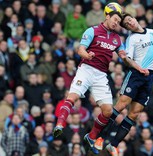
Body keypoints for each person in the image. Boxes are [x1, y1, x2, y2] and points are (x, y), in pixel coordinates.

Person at [53, 3, 147, 155]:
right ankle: (60, 124)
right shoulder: (93, 30)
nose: (116, 23)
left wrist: (137, 67)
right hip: (86, 69)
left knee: (108, 111)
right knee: (73, 96)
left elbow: (124, 56)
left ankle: (91, 137)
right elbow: (80, 49)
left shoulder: (117, 38)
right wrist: (87, 55)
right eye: (115, 19)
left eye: (118, 21)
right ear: (107, 17)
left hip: (101, 75)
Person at [94, 13, 153, 156]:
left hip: (149, 77)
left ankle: (113, 145)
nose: (130, 23)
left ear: (135, 19)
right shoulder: (131, 39)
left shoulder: (152, 32)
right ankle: (99, 137)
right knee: (121, 105)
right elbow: (128, 59)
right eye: (126, 24)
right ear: (127, 28)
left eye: (130, 20)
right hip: (136, 75)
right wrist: (138, 68)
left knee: (135, 113)